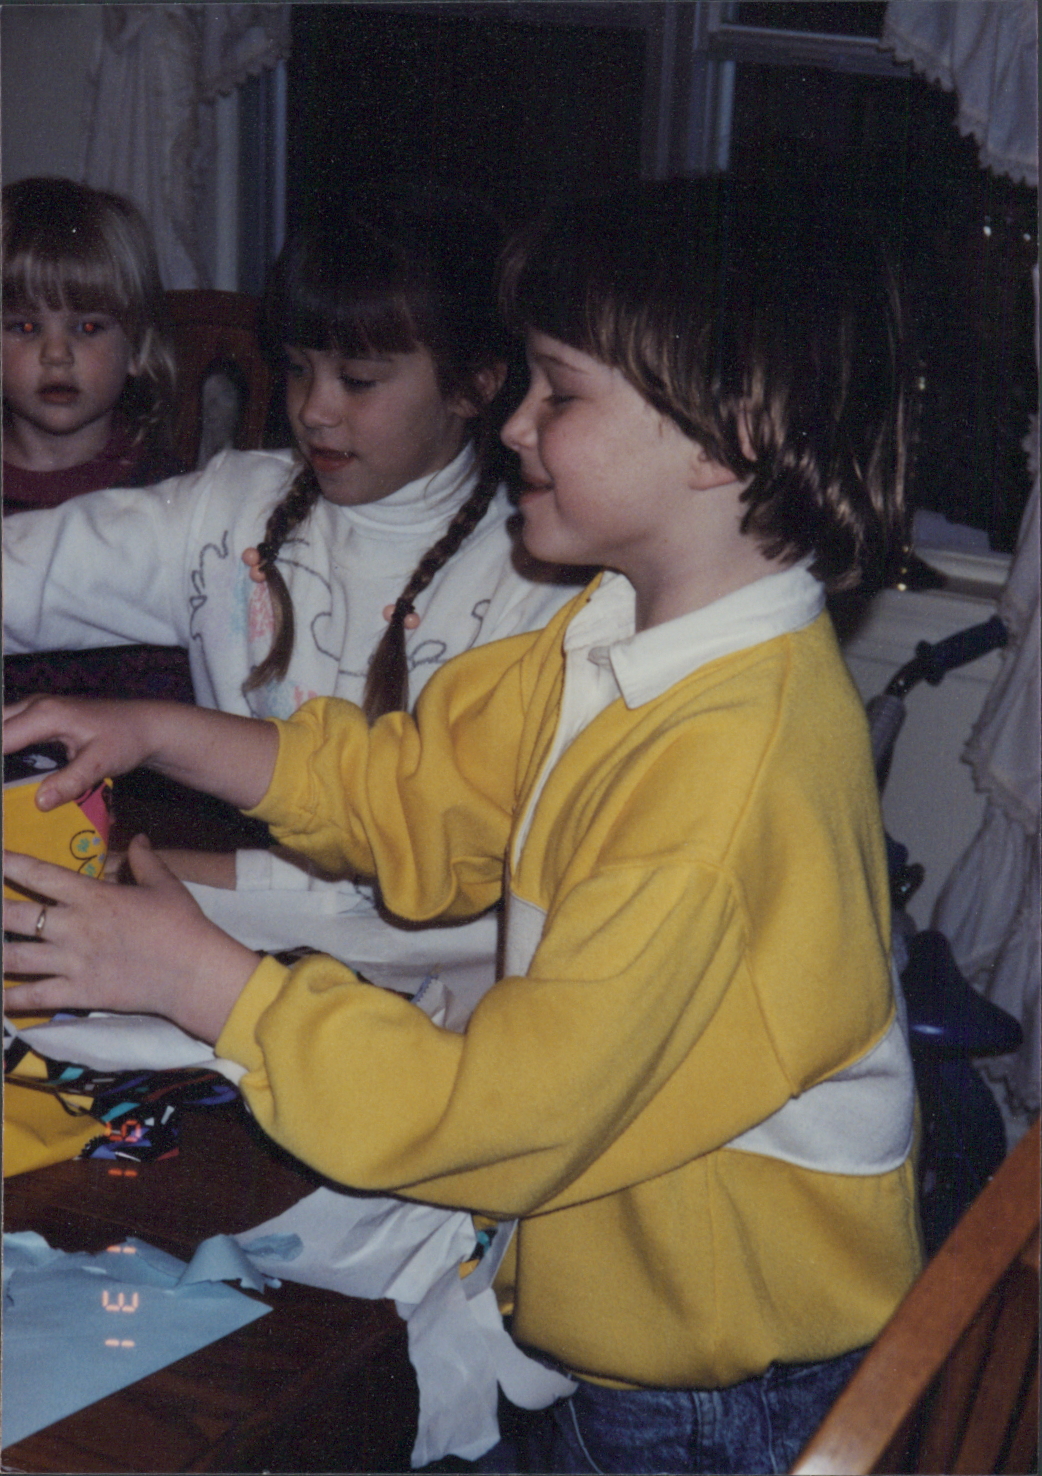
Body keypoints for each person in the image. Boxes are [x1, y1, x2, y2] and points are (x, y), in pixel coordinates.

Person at [3, 178, 923, 1475]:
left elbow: (498, 1117)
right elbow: (418, 794)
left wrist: (206, 981)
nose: (515, 425)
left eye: (560, 393)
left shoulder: (726, 779)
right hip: (610, 1302)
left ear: (727, 432)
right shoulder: (617, 629)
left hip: (709, 1388)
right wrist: (165, 732)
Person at [4, 187, 579, 1013]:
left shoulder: (538, 584)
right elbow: (33, 571)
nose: (313, 409)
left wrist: (158, 876)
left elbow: (430, 890)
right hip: (246, 920)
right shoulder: (231, 508)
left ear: (473, 386)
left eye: (359, 380)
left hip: (437, 986)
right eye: (301, 368)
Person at [2, 176, 183, 514]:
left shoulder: (165, 489)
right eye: (25, 327)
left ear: (137, 346)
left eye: (88, 328)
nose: (56, 355)